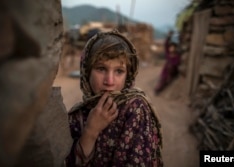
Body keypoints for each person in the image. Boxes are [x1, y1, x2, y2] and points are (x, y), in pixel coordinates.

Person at [65, 30, 163, 167]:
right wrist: (91, 131)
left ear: (128, 76)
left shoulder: (135, 108)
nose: (109, 81)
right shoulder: (76, 117)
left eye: (119, 71)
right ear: (86, 72)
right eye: (101, 68)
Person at [154, 31, 181, 95]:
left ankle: (160, 88)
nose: (171, 48)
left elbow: (176, 65)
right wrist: (168, 37)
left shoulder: (177, 56)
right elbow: (166, 46)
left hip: (171, 73)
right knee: (161, 82)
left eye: (173, 47)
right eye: (170, 47)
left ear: (175, 48)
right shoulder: (168, 55)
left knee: (166, 82)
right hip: (165, 73)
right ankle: (157, 89)